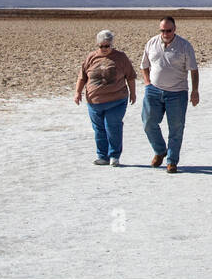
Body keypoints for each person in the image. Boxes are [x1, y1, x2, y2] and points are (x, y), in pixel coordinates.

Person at [139, 16, 200, 173]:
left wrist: (195, 91)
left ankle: (172, 161)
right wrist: (147, 83)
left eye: (168, 30)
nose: (165, 33)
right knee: (148, 123)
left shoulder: (184, 46)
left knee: (176, 128)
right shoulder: (151, 43)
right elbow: (144, 65)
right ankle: (160, 150)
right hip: (154, 90)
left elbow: (193, 70)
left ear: (175, 29)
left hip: (177, 92)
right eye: (162, 30)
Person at [74, 29, 137, 166]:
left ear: (111, 45)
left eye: (106, 46)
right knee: (99, 128)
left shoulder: (121, 58)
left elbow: (130, 77)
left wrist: (133, 93)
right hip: (94, 102)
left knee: (112, 126)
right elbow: (82, 76)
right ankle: (102, 156)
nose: (103, 49)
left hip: (116, 100)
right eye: (101, 46)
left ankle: (114, 155)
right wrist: (78, 92)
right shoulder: (91, 57)